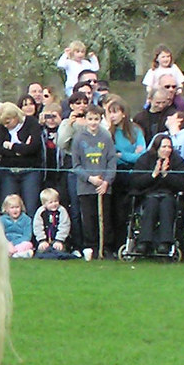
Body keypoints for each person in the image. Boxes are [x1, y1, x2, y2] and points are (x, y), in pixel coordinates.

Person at [130, 134, 184, 255]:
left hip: (170, 195)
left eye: (169, 147)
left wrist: (166, 175)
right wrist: (153, 174)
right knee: (151, 204)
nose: (167, 150)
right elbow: (135, 181)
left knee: (166, 204)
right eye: (164, 147)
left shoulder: (177, 161)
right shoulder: (145, 159)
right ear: (156, 147)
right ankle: (144, 241)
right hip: (148, 195)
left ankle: (165, 243)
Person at [72, 105, 117, 260]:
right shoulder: (78, 138)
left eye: (96, 119)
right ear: (85, 120)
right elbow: (76, 165)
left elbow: (112, 161)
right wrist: (90, 179)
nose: (93, 122)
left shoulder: (106, 137)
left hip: (103, 187)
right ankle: (90, 247)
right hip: (86, 187)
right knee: (89, 218)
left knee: (105, 217)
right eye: (90, 119)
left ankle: (105, 247)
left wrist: (106, 182)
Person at [104, 96, 146, 251]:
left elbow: (142, 155)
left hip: (133, 175)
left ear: (123, 113)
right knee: (116, 211)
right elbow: (110, 155)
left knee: (129, 209)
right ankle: (116, 245)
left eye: (115, 112)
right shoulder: (109, 134)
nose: (113, 116)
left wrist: (122, 155)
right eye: (110, 113)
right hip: (116, 175)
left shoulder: (135, 131)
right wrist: (127, 155)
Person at [0, 102, 42, 216]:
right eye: (3, 123)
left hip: (30, 171)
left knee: (30, 207)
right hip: (9, 172)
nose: (5, 126)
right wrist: (21, 149)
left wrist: (12, 147)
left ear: (16, 117)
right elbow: (0, 149)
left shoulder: (31, 123)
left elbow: (34, 147)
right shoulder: (2, 127)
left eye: (8, 122)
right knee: (7, 207)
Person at [33, 188, 72, 258]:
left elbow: (64, 226)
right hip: (45, 240)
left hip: (59, 240)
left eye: (56, 201)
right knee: (41, 252)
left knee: (60, 251)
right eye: (50, 202)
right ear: (44, 204)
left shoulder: (62, 211)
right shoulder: (41, 212)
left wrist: (59, 240)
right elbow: (37, 227)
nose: (54, 204)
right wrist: (42, 240)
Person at [0, 194, 33, 258]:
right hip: (5, 244)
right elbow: (0, 235)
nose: (15, 210)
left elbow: (27, 236)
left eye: (17, 207)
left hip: (19, 244)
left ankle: (14, 254)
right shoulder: (2, 220)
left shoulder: (26, 219)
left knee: (28, 244)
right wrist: (8, 244)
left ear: (21, 207)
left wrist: (13, 244)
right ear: (6, 209)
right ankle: (15, 254)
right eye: (12, 208)